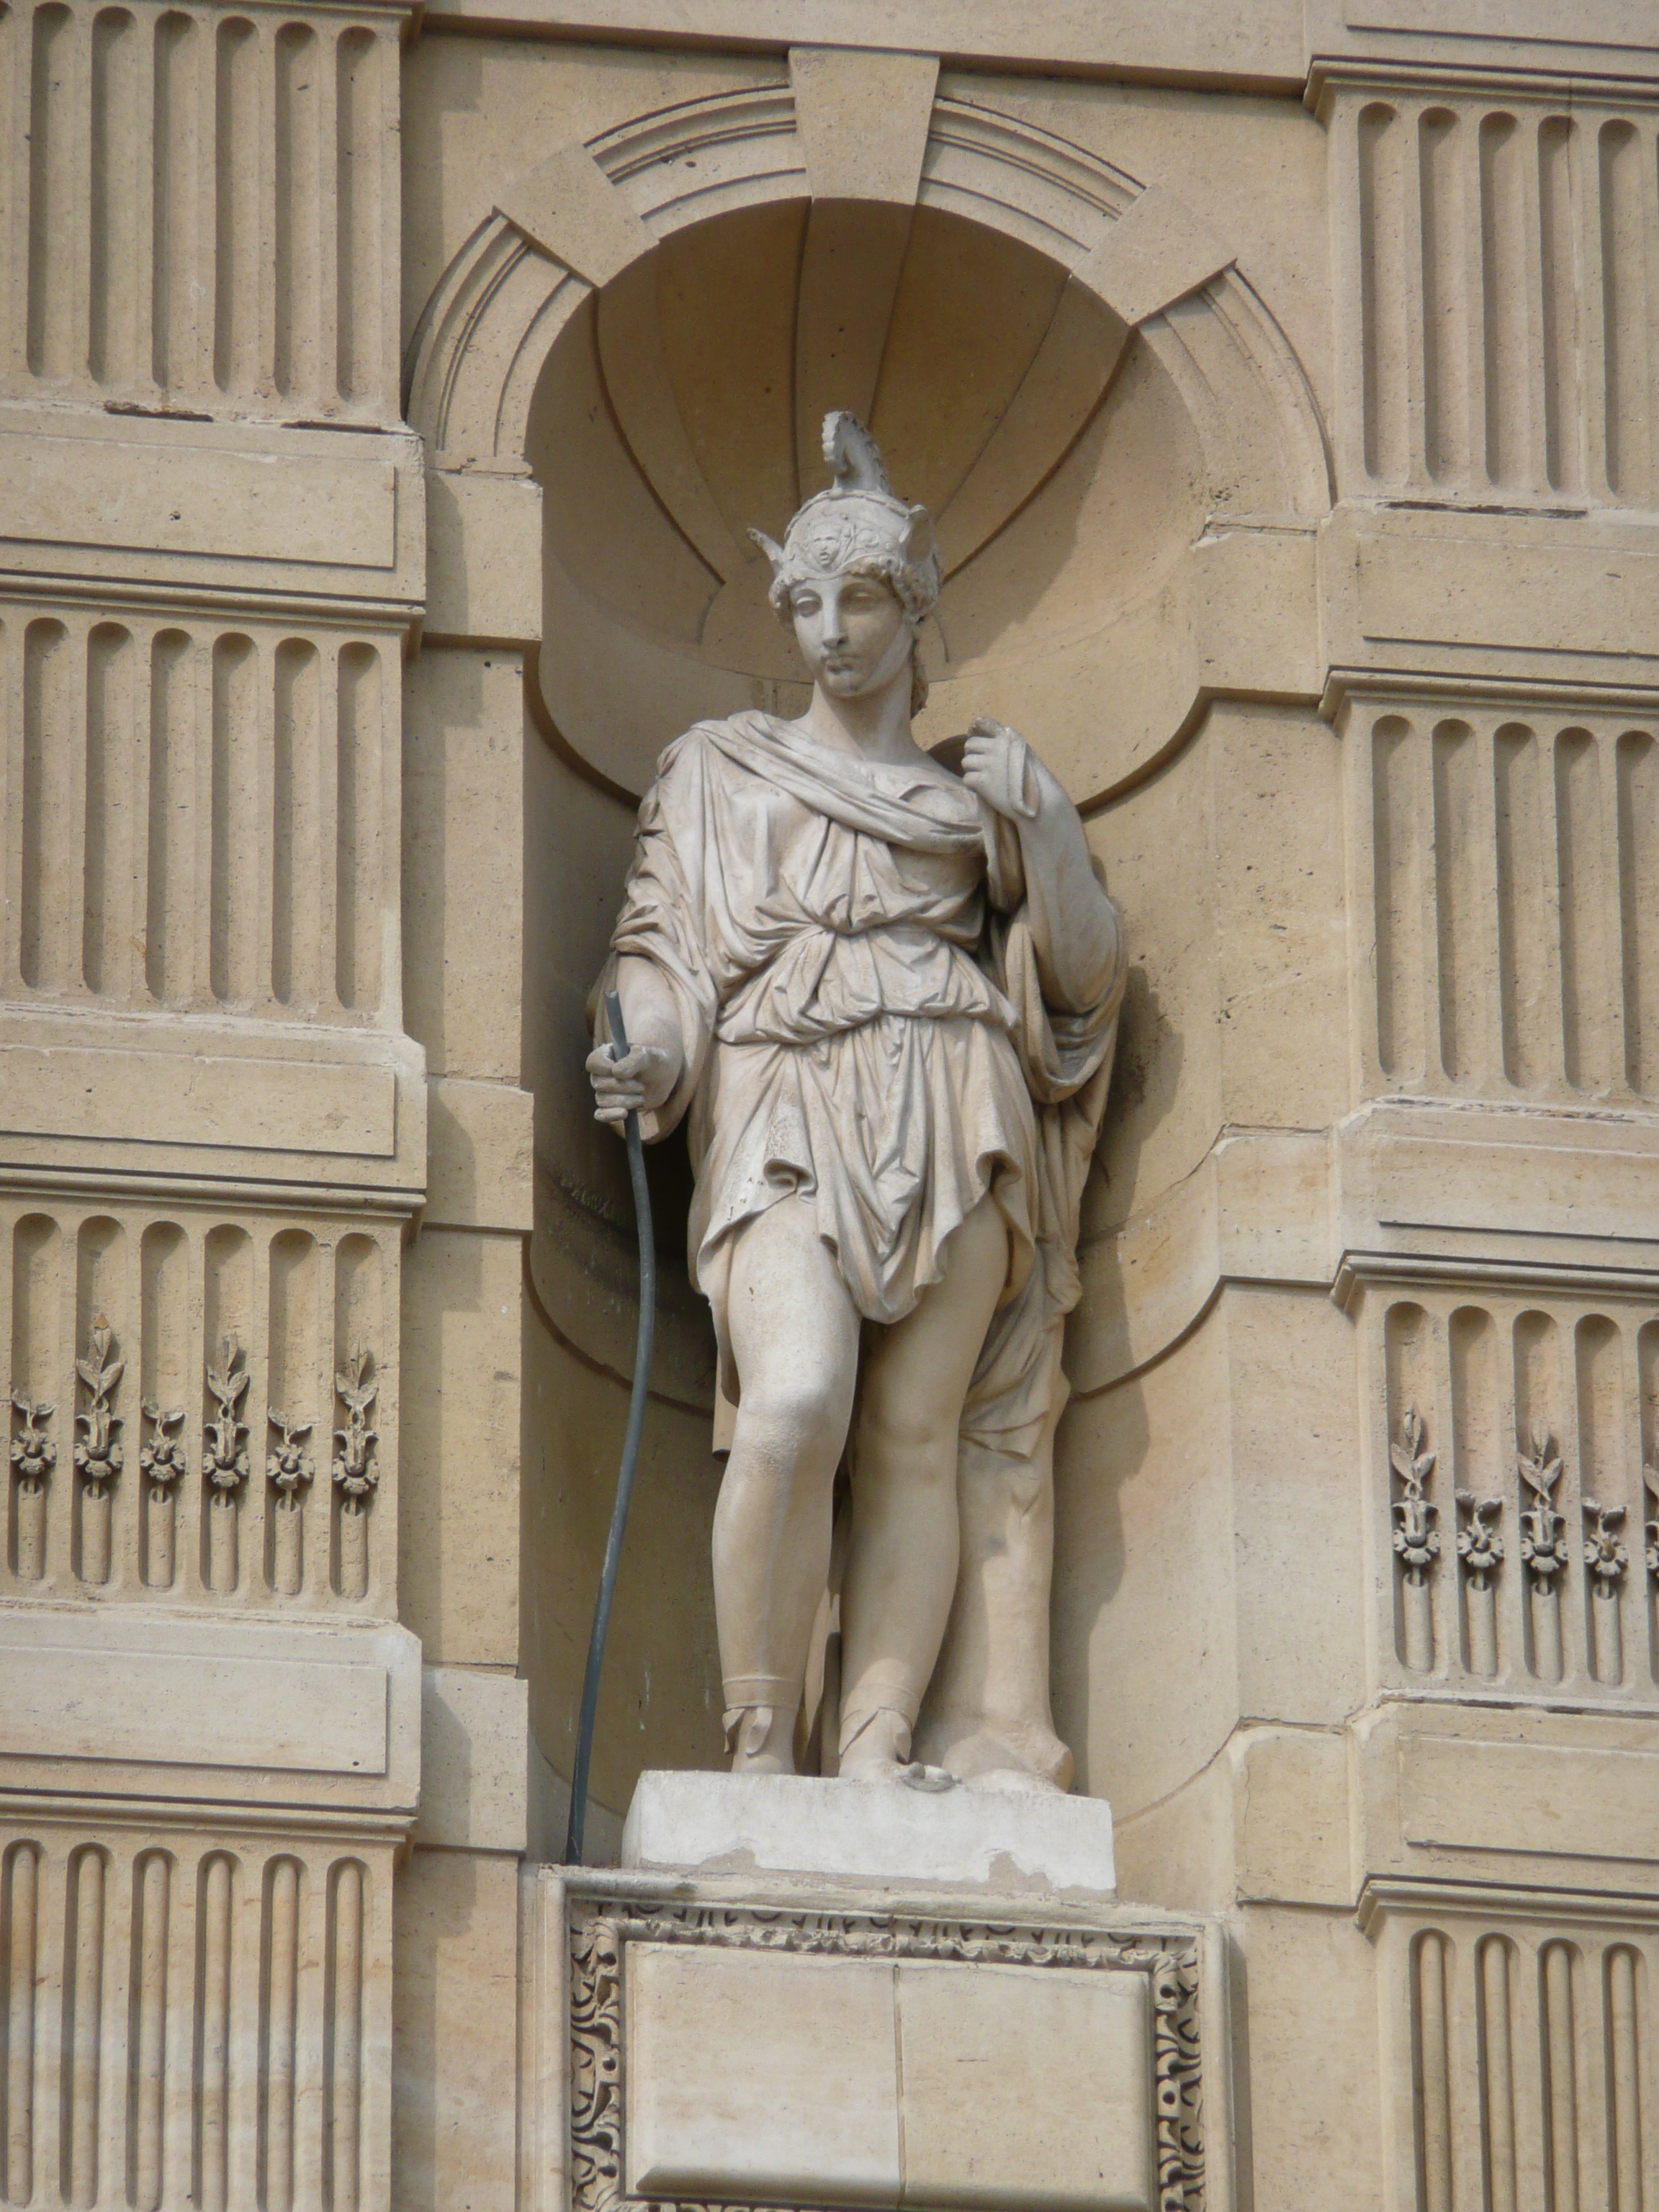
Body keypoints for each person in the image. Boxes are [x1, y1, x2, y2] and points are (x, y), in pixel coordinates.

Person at [588, 413, 1125, 1786]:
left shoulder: (977, 801)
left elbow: (1081, 979)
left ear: (916, 603)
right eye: (808, 600)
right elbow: (660, 953)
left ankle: (878, 1746)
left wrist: (1051, 825)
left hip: (954, 1089)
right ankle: (760, 1744)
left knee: (912, 1438)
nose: (830, 629)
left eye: (863, 598)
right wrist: (648, 1053)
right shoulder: (719, 768)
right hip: (779, 1093)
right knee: (797, 1399)